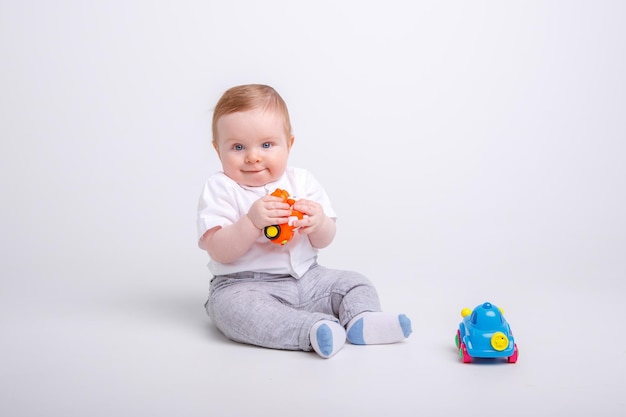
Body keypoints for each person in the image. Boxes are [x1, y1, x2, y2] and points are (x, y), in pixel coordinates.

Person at [197, 84, 412, 358]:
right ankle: (312, 329)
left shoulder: (301, 181)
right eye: (238, 147)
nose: (253, 156)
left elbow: (325, 238)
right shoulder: (220, 188)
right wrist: (250, 222)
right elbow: (219, 250)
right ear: (218, 150)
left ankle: (362, 320)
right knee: (231, 311)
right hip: (243, 285)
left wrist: (319, 222)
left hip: (308, 277)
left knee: (354, 282)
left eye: (266, 145)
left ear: (289, 144)